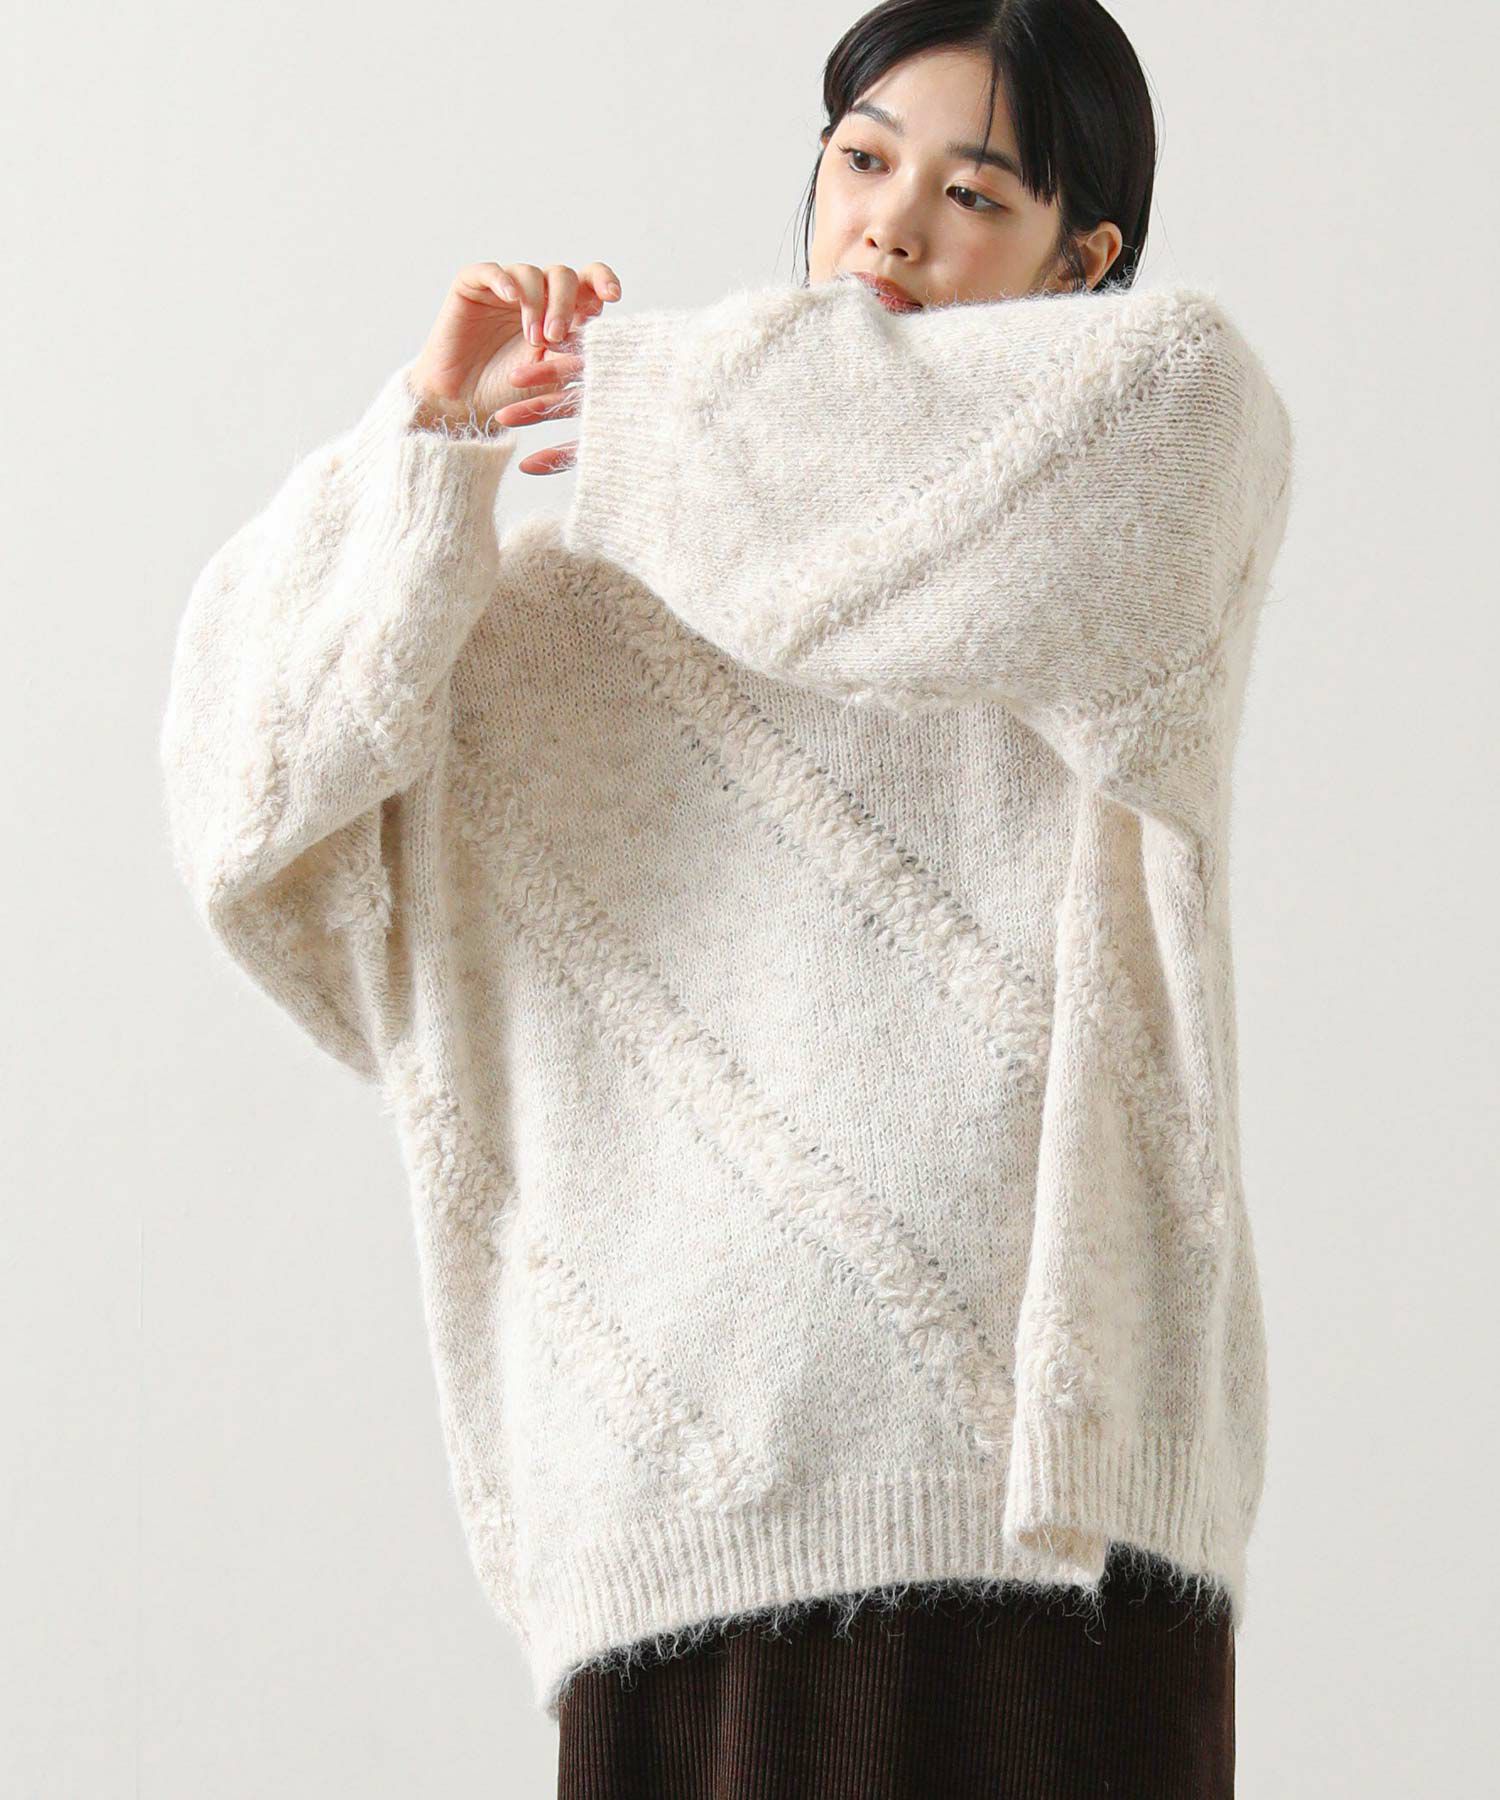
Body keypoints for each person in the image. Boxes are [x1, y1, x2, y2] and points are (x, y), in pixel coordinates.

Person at [158, 2, 1294, 1794]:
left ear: (1087, 259)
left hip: (1051, 1515)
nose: (891, 225)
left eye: (973, 192)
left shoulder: (1147, 470)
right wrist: (428, 450)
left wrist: (641, 394)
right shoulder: (582, 597)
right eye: (861, 159)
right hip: (692, 1515)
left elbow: (1159, 413)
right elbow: (250, 806)